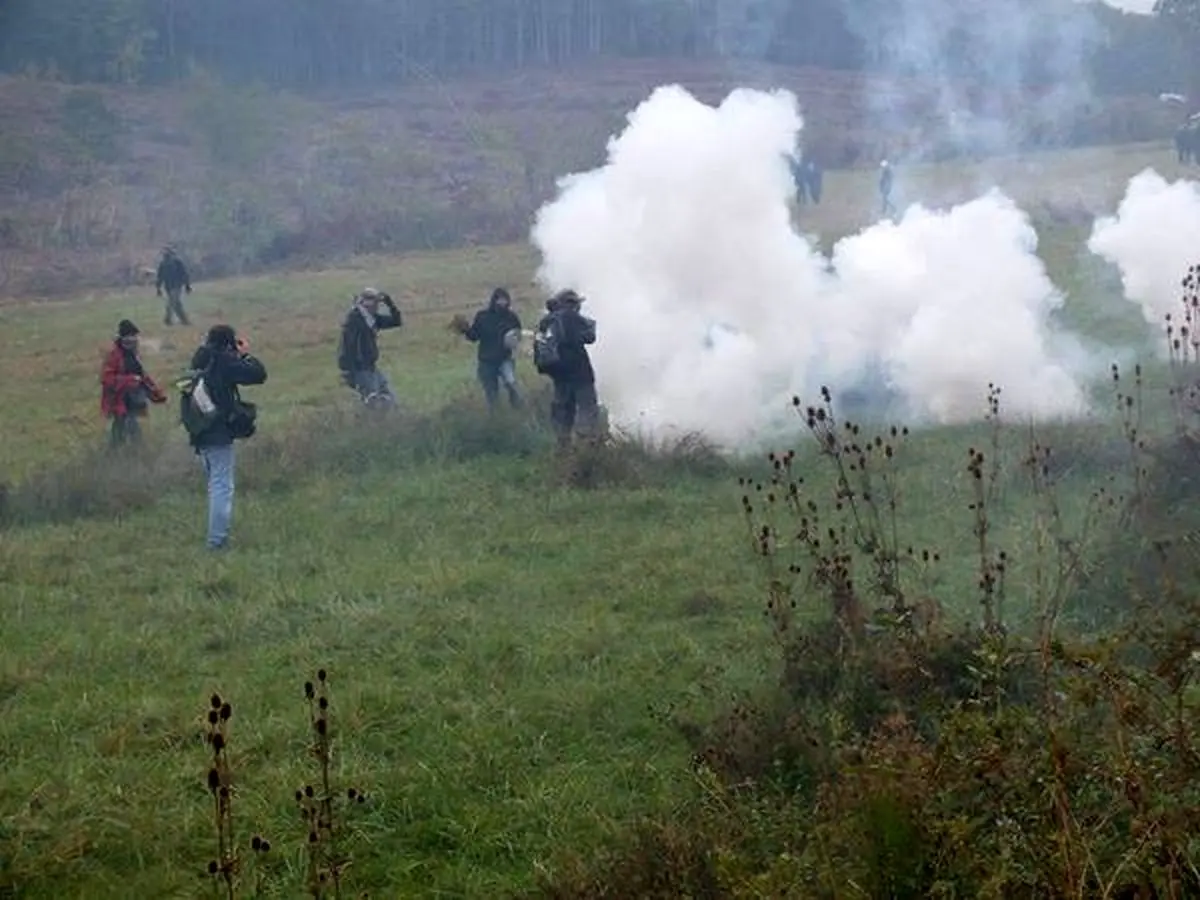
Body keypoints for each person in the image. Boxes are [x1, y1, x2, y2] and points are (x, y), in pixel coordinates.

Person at [186, 324, 267, 551]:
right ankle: (217, 541)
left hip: (200, 429)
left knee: (215, 483)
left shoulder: (200, 359)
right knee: (222, 487)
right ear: (228, 343)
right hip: (218, 431)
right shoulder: (223, 361)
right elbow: (258, 374)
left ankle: (217, 537)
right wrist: (244, 354)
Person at [535, 289, 599, 450]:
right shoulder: (571, 316)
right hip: (579, 371)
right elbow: (590, 337)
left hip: (558, 372)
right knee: (587, 407)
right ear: (572, 304)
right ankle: (585, 445)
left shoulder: (546, 321)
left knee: (563, 409)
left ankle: (562, 445)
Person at [99, 318, 167, 447]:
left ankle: (121, 450)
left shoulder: (134, 354)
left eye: (134, 337)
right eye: (129, 337)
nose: (132, 340)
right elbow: (106, 379)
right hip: (118, 398)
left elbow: (143, 376)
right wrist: (129, 380)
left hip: (133, 398)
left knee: (124, 425)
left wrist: (156, 393)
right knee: (126, 425)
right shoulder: (113, 355)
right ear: (122, 338)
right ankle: (130, 450)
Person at [456, 287, 523, 410]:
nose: (502, 303)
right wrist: (465, 330)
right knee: (492, 394)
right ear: (494, 301)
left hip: (505, 359)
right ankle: (497, 417)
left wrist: (515, 341)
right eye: (500, 300)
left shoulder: (511, 317)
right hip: (486, 361)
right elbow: (474, 336)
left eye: (504, 300)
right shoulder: (483, 316)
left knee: (511, 385)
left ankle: (519, 410)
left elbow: (518, 335)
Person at [337, 287, 402, 409]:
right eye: (375, 302)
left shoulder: (371, 319)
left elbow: (396, 321)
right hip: (359, 369)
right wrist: (350, 370)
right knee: (373, 401)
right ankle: (370, 420)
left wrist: (389, 303)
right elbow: (349, 346)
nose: (377, 306)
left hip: (369, 367)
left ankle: (382, 418)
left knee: (387, 397)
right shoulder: (354, 320)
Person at [155, 245, 192, 326]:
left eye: (166, 251)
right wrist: (158, 288)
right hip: (168, 286)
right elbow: (160, 276)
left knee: (171, 302)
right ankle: (184, 320)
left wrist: (187, 285)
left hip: (177, 285)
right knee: (176, 304)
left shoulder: (177, 261)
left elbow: (184, 274)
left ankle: (168, 320)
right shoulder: (163, 263)